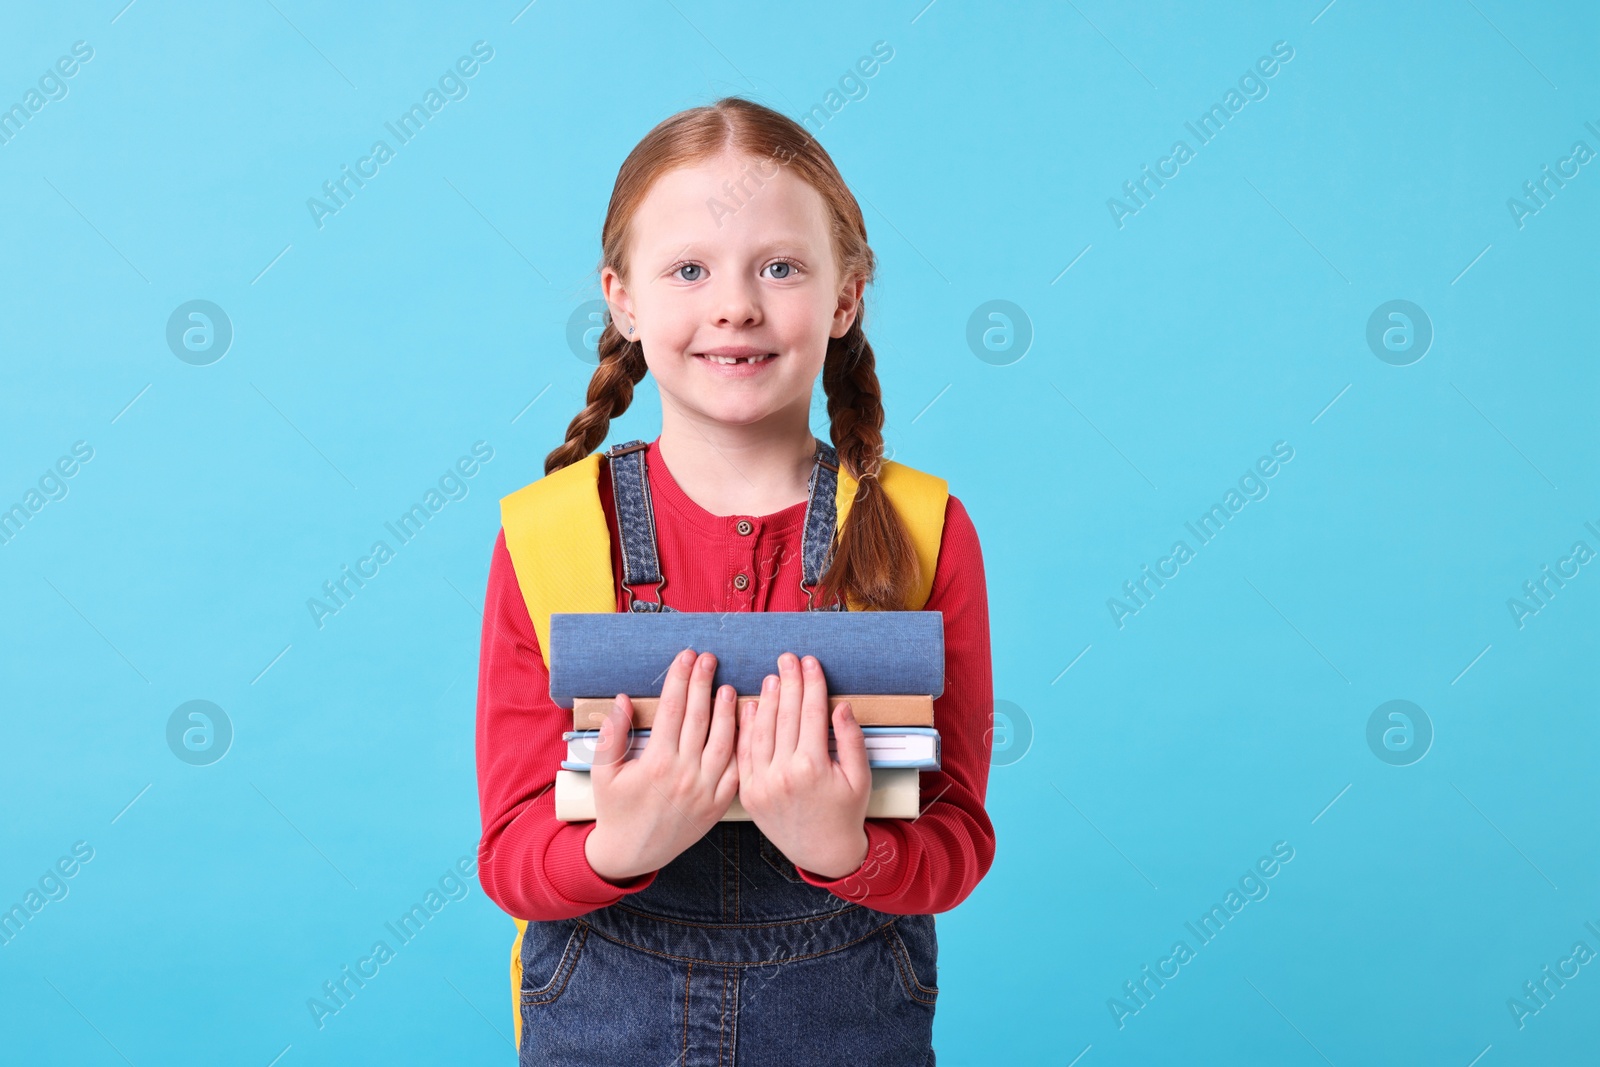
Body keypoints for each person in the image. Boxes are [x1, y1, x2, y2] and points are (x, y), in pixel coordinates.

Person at [475, 95, 996, 1065]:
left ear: (847, 295)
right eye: (688, 270)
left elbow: (957, 837)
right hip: (604, 1015)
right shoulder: (546, 536)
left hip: (846, 1018)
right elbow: (509, 855)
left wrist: (844, 846)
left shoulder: (926, 530)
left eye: (781, 267)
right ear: (621, 297)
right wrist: (617, 844)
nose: (735, 304)